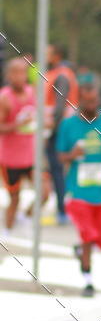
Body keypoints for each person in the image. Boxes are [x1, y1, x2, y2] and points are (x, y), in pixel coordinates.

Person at [56, 80, 101, 296]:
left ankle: (81, 251)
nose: (92, 104)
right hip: (77, 192)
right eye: (87, 101)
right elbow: (60, 155)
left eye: (95, 100)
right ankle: (87, 279)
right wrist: (72, 155)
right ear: (79, 101)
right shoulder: (68, 125)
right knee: (88, 235)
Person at [0, 56, 48, 231]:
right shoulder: (4, 98)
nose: (19, 77)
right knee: (14, 198)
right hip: (10, 159)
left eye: (22, 72)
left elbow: (38, 117)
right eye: (15, 73)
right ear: (9, 75)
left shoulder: (32, 93)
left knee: (44, 193)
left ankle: (25, 216)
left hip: (30, 157)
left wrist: (45, 123)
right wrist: (17, 125)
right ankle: (7, 232)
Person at [45, 44, 78, 224]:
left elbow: (59, 105)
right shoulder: (58, 73)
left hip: (59, 128)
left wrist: (50, 129)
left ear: (55, 56)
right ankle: (63, 208)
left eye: (47, 53)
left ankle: (62, 210)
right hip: (62, 126)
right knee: (59, 169)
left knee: (57, 169)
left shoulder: (61, 75)